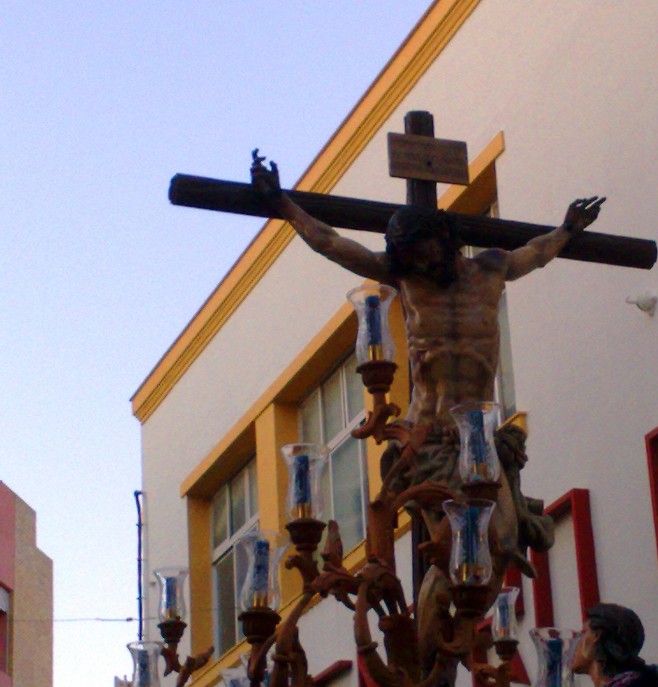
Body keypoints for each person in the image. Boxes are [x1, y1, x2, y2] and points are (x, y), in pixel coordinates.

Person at [250, 152, 604, 575]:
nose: (419, 262)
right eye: (410, 256)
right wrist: (283, 205)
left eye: (423, 251)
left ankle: (461, 627)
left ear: (443, 237)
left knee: (503, 541)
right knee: (451, 545)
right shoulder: (404, 278)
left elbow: (539, 252)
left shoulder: (492, 268)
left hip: (477, 436)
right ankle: (441, 620)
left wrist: (567, 229)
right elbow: (331, 243)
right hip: (427, 431)